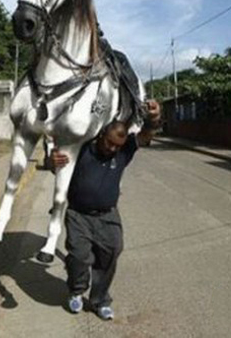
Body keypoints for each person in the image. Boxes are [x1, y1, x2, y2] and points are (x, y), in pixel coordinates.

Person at [50, 100, 161, 321]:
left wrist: (153, 117)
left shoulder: (122, 152)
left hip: (108, 215)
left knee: (112, 251)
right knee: (80, 256)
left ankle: (100, 300)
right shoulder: (82, 149)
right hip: (78, 214)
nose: (112, 149)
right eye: (109, 143)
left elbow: (146, 135)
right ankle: (77, 290)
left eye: (117, 146)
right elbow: (55, 161)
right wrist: (51, 160)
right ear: (101, 135)